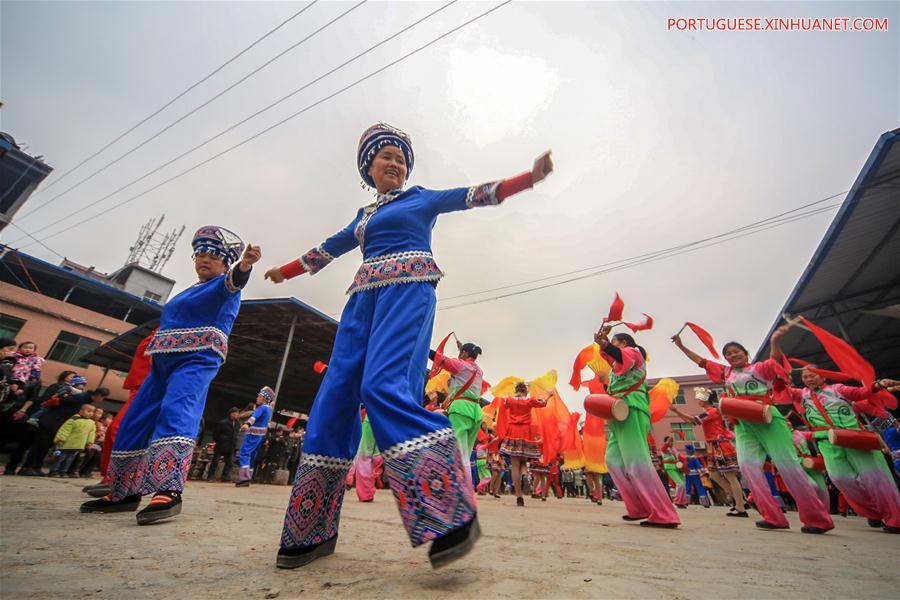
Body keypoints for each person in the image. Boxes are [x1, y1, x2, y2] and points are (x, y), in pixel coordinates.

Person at [267, 123, 553, 569]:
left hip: (408, 290)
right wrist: (284, 273)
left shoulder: (421, 198)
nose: (395, 164)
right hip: (361, 300)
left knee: (382, 386)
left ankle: (450, 514)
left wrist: (527, 178)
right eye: (386, 156)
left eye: (401, 159)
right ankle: (310, 529)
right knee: (335, 398)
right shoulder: (362, 218)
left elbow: (472, 195)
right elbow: (325, 250)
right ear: (369, 168)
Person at [80, 226, 260, 524]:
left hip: (197, 358)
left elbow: (236, 280)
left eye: (213, 255)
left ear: (225, 262)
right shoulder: (187, 291)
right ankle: (124, 491)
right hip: (162, 363)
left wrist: (245, 266)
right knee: (135, 420)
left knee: (176, 411)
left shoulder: (224, 285)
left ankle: (168, 490)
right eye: (200, 254)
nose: (204, 259)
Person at [671, 326, 834, 533]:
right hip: (743, 424)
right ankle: (772, 516)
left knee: (788, 467)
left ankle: (817, 519)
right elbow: (701, 361)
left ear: (745, 353)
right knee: (748, 467)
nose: (733, 355)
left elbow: (775, 360)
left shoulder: (760, 368)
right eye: (728, 354)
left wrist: (775, 341)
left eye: (736, 351)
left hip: (767, 418)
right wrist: (681, 346)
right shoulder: (726, 373)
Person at [784, 363, 900, 534]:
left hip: (854, 438)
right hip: (828, 443)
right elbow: (782, 390)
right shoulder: (802, 395)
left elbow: (860, 393)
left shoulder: (837, 389)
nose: (808, 379)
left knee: (877, 479)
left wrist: (879, 384)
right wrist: (780, 373)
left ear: (823, 376)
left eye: (812, 375)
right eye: (805, 377)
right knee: (841, 479)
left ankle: (895, 520)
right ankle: (874, 512)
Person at [594, 327, 680, 528]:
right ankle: (639, 507)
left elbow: (618, 355)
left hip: (632, 408)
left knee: (637, 463)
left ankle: (664, 514)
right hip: (618, 412)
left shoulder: (634, 353)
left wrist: (604, 344)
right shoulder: (616, 368)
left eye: (614, 342)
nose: (610, 348)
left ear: (624, 343)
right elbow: (613, 363)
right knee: (613, 461)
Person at [670, 388, 748, 516]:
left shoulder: (712, 412)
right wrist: (676, 411)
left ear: (705, 399)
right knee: (714, 475)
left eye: (699, 398)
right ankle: (740, 501)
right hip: (713, 446)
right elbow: (691, 421)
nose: (697, 400)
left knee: (730, 476)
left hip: (720, 445)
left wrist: (676, 410)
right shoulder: (710, 412)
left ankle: (741, 507)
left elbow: (694, 420)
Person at [20, 386, 109, 476]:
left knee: (45, 447)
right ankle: (27, 467)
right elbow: (62, 402)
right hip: (52, 421)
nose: (102, 400)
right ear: (99, 395)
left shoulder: (86, 399)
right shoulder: (80, 397)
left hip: (57, 423)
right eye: (103, 398)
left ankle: (37, 467)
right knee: (40, 445)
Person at [497, 381, 546, 507]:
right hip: (526, 432)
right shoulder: (530, 400)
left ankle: (519, 497)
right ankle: (525, 475)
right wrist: (549, 395)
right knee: (524, 461)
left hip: (513, 431)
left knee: (514, 465)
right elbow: (543, 403)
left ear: (516, 390)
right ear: (525, 390)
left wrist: (507, 396)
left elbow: (504, 404)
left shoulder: (509, 400)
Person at [236, 387, 275, 487]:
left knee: (244, 453)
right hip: (260, 435)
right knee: (251, 456)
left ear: (264, 398)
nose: (257, 397)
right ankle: (248, 477)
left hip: (253, 434)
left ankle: (244, 479)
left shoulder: (261, 408)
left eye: (259, 396)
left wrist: (247, 424)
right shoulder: (269, 409)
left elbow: (254, 417)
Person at [48, 404, 97, 477]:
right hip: (66, 444)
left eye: (92, 412)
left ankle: (63, 471)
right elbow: (65, 430)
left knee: (69, 459)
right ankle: (54, 470)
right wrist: (61, 439)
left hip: (78, 445)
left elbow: (92, 433)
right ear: (81, 411)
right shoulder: (73, 419)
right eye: (88, 411)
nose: (90, 413)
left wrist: (90, 442)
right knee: (60, 457)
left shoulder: (91, 423)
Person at [207, 407, 241, 482]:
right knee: (215, 461)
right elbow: (216, 433)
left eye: (237, 413)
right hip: (221, 444)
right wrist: (219, 440)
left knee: (229, 462)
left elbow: (237, 434)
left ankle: (225, 477)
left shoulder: (238, 423)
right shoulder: (223, 422)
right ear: (231, 414)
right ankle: (210, 476)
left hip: (231, 445)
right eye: (235, 413)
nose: (237, 415)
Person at [660, 436, 688, 508]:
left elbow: (681, 457)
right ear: (666, 442)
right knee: (680, 484)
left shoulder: (674, 449)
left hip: (678, 467)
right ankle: (677, 502)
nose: (671, 442)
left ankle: (682, 502)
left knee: (683, 484)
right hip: (670, 467)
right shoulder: (664, 448)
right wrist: (668, 442)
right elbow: (664, 448)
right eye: (670, 441)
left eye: (672, 441)